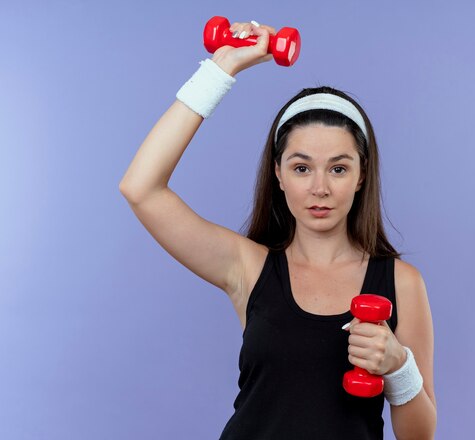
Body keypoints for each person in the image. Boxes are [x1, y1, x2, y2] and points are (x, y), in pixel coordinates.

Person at [119, 18, 436, 440]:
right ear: (279, 174)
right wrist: (220, 69)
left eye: (338, 168)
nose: (319, 188)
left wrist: (399, 367)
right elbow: (141, 188)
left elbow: (420, 435)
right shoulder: (247, 266)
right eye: (301, 167)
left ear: (361, 176)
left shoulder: (401, 283)